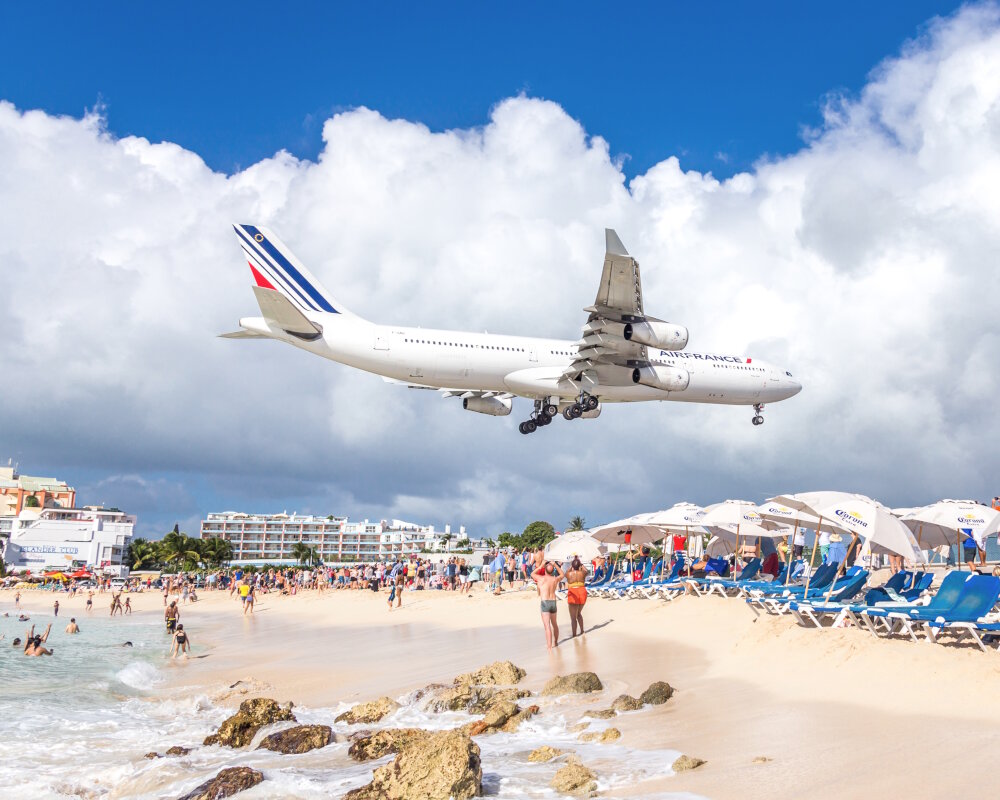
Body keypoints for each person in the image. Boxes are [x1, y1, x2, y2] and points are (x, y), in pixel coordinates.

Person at [532, 561, 565, 649]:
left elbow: (532, 574)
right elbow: (562, 574)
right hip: (553, 602)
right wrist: (555, 565)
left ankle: (549, 647)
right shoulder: (555, 579)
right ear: (553, 571)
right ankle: (556, 642)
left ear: (545, 570)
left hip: (545, 602)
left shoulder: (541, 579)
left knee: (547, 626)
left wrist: (541, 566)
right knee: (554, 624)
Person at [565, 557, 588, 637]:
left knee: (573, 617)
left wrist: (572, 565)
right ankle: (582, 631)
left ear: (572, 566)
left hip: (573, 592)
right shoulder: (583, 573)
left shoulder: (569, 574)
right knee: (578, 614)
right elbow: (587, 571)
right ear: (579, 566)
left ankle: (574, 635)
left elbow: (566, 572)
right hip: (582, 591)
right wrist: (581, 564)